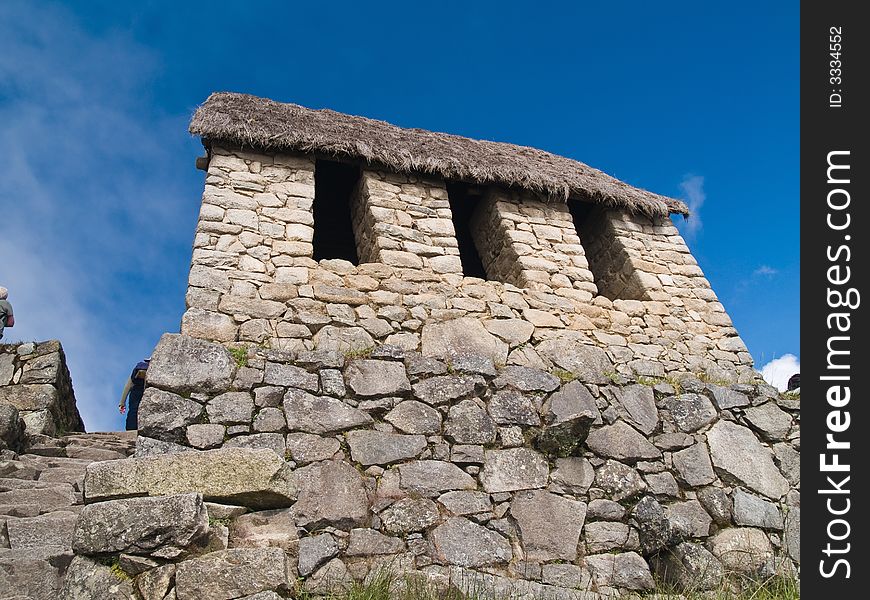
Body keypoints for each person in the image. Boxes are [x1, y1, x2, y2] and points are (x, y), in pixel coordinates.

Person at [119, 359, 150, 430]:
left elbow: (128, 385)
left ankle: (130, 429)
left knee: (133, 410)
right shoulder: (154, 368)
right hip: (146, 391)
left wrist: (122, 403)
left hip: (135, 391)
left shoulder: (138, 367)